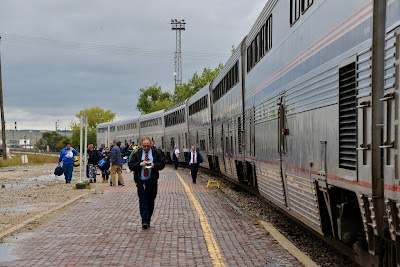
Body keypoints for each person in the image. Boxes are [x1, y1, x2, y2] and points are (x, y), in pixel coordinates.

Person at [128, 136, 165, 229]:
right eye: (144, 146)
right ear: (141, 145)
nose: (146, 148)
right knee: (143, 200)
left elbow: (162, 164)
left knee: (150, 200)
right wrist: (139, 164)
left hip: (152, 181)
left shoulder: (156, 152)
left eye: (148, 146)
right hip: (141, 181)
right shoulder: (136, 153)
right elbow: (130, 165)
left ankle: (148, 218)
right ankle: (145, 220)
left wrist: (154, 165)